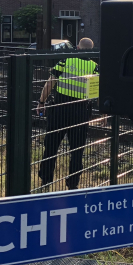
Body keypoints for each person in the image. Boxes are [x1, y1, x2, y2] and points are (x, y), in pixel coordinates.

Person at [37, 38, 97, 190]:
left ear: (77, 48)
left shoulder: (65, 61)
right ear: (92, 50)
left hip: (60, 110)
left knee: (51, 146)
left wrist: (41, 102)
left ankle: (46, 180)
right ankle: (73, 184)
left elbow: (50, 83)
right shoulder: (95, 67)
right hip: (80, 112)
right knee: (77, 150)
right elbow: (95, 93)